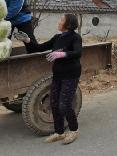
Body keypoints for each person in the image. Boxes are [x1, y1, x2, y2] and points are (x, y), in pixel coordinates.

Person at [17, 14, 82, 144]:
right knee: (54, 103)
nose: (59, 22)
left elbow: (78, 52)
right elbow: (39, 48)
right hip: (58, 74)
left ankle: (74, 130)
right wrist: (28, 40)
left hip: (71, 74)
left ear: (68, 24)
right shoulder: (57, 38)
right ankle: (59, 132)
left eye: (61, 20)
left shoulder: (75, 37)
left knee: (64, 104)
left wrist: (62, 54)